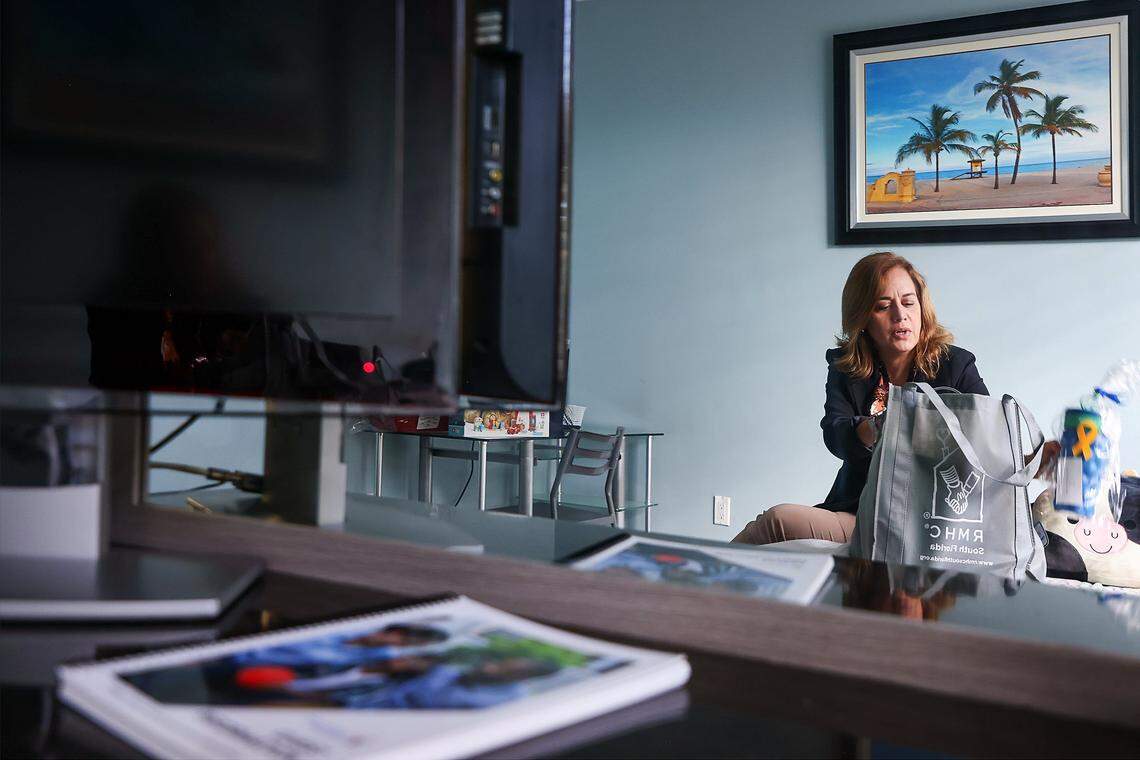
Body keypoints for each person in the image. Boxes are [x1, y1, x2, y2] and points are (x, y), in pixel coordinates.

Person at [732, 252, 988, 545]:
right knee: (774, 522)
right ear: (863, 317)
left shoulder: (957, 365)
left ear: (922, 308)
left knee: (776, 521)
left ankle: (692, 583)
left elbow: (991, 437)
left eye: (908, 302)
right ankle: (696, 581)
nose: (900, 315)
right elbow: (835, 434)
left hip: (933, 520)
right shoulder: (846, 367)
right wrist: (872, 428)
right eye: (883, 306)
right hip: (861, 513)